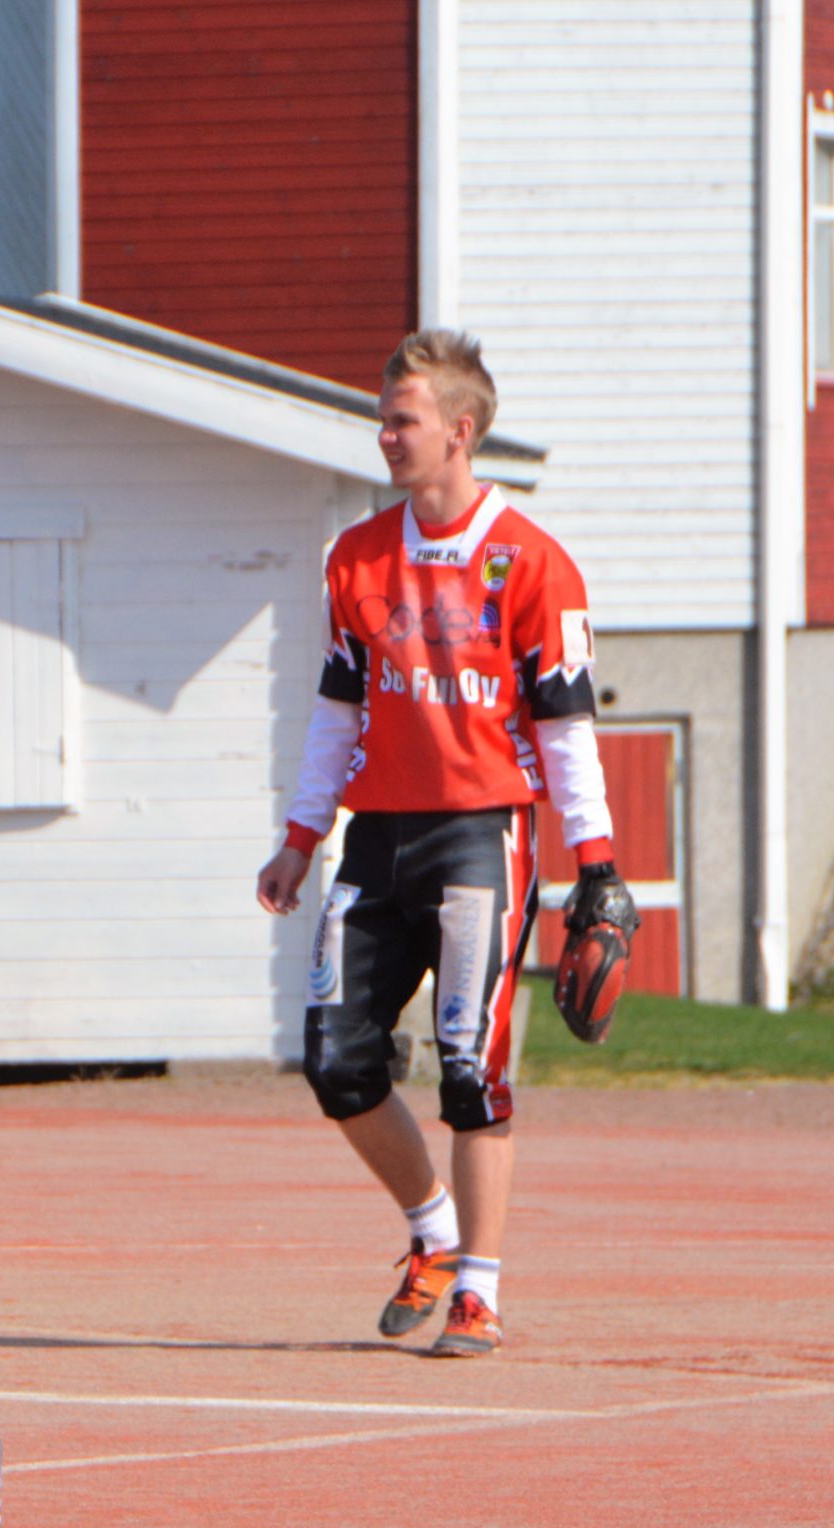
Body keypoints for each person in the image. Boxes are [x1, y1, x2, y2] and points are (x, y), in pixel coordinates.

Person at [255, 329, 635, 1358]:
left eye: (403, 420)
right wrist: (301, 835)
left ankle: (480, 1289)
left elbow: (566, 731)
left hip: (481, 835)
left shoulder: (532, 562)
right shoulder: (356, 557)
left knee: (469, 1067)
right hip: (377, 836)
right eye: (383, 419)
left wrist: (597, 865)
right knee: (336, 1059)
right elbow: (337, 713)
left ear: (460, 431)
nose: (385, 435)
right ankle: (432, 1230)